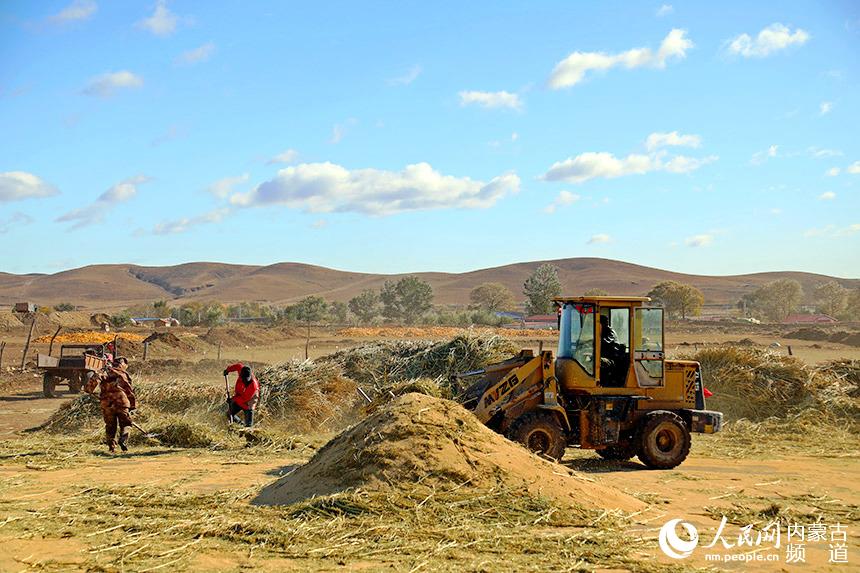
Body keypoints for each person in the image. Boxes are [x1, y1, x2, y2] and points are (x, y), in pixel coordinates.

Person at [84, 356, 136, 453]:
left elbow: (95, 379)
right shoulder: (122, 374)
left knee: (110, 426)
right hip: (122, 402)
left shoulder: (104, 371)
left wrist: (89, 389)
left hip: (107, 403)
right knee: (126, 424)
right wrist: (132, 405)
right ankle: (123, 440)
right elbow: (129, 390)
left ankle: (112, 447)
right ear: (122, 364)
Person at [223, 363, 259, 427]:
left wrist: (232, 399)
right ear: (241, 375)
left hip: (249, 402)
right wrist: (228, 370)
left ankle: (248, 429)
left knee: (248, 425)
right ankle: (240, 425)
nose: (245, 381)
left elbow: (244, 399)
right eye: (244, 379)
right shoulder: (241, 370)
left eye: (247, 380)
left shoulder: (253, 386)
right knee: (229, 414)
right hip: (239, 396)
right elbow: (237, 366)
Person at [599, 314, 628, 387]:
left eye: (604, 322)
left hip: (613, 359)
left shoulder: (610, 332)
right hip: (606, 356)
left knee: (600, 362)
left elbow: (606, 342)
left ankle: (603, 385)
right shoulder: (602, 332)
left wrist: (594, 342)